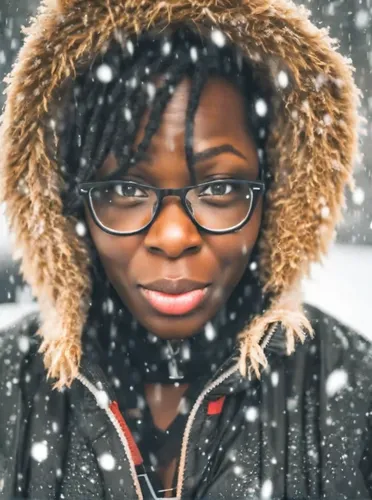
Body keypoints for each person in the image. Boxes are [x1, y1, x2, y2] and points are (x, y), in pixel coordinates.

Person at [0, 0, 371, 498]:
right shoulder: (11, 391)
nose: (173, 236)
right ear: (68, 204)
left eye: (219, 188)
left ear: (278, 193)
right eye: (126, 189)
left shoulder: (355, 395)